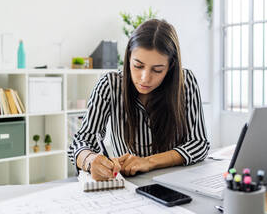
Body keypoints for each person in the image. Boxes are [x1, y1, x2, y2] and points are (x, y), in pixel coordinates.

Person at [68, 19, 209, 181]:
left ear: (170, 67)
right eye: (138, 65)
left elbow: (199, 143)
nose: (145, 78)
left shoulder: (185, 82)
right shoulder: (110, 84)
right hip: (129, 187)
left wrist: (148, 162)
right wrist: (90, 160)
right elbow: (82, 141)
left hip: (176, 182)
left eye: (157, 70)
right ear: (128, 58)